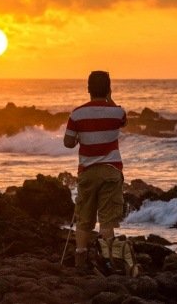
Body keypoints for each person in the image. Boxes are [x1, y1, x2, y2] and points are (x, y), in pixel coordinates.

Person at [63, 71, 128, 274]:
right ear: (109, 88)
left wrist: (80, 138)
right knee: (107, 220)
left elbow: (68, 143)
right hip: (111, 170)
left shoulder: (77, 114)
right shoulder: (118, 112)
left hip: (88, 171)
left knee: (84, 217)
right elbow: (124, 123)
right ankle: (108, 261)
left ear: (88, 88)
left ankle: (80, 260)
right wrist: (110, 99)